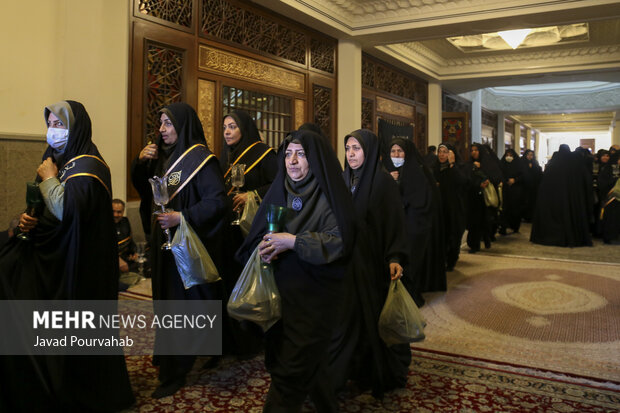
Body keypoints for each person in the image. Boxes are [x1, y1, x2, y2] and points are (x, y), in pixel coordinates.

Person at [0, 100, 135, 412]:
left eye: (60, 124)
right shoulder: (58, 156)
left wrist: (49, 178)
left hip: (80, 264)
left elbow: (67, 211)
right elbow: (43, 206)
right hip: (53, 255)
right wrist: (27, 218)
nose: (53, 131)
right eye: (50, 124)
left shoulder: (89, 165)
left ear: (76, 127)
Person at [237, 129, 355, 413]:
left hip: (315, 299)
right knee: (306, 363)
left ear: (314, 159)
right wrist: (263, 247)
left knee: (291, 371)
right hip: (280, 295)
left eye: (301, 154)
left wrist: (293, 241)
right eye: (288, 154)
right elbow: (256, 236)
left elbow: (340, 240)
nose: (292, 161)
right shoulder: (280, 190)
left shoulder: (328, 196)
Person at [131, 102, 230, 398]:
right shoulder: (163, 158)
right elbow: (148, 194)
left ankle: (175, 371)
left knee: (180, 307)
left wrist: (182, 217)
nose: (162, 130)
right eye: (160, 123)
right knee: (165, 303)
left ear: (183, 126)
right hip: (163, 246)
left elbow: (218, 203)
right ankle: (172, 353)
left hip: (185, 245)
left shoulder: (202, 159)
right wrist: (140, 163)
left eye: (168, 124)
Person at [330, 129, 411, 400]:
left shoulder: (382, 182)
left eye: (356, 148)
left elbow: (395, 222)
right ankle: (350, 371)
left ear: (370, 151)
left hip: (373, 263)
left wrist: (395, 256)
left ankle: (372, 372)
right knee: (348, 319)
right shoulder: (343, 179)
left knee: (371, 320)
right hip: (347, 263)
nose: (351, 154)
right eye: (348, 148)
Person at [219, 109, 278, 358]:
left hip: (254, 229)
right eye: (225, 127)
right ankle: (235, 337)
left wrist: (252, 195)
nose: (227, 132)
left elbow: (277, 186)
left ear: (244, 128)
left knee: (255, 282)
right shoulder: (225, 157)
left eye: (232, 126)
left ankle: (258, 336)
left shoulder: (264, 154)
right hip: (230, 230)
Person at [383, 137, 445, 304]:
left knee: (410, 263)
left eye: (400, 151)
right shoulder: (385, 171)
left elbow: (419, 201)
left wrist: (397, 185)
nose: (396, 155)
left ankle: (411, 297)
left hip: (414, 226)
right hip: (393, 226)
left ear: (407, 153)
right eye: (393, 151)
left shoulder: (417, 172)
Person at [530, 144, 593, 247]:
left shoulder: (553, 164)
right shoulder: (574, 165)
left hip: (553, 200)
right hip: (570, 200)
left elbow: (544, 184)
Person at [432, 143, 468, 271]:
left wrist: (452, 165)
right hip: (439, 208)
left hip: (454, 209)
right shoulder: (434, 167)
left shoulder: (460, 167)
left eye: (445, 152)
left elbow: (462, 182)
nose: (441, 154)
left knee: (453, 235)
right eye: (440, 151)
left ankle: (451, 260)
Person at [465, 143, 503, 252]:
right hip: (474, 198)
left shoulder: (488, 163)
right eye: (472, 150)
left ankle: (487, 238)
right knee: (474, 222)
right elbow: (466, 179)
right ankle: (474, 245)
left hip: (486, 199)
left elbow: (496, 176)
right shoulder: (469, 164)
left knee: (485, 221)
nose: (474, 152)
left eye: (476, 150)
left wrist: (486, 178)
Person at [499, 148, 524, 234]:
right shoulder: (502, 164)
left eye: (510, 155)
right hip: (505, 189)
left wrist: (515, 180)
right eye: (507, 155)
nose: (508, 157)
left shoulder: (518, 164)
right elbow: (500, 173)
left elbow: (522, 175)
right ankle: (503, 227)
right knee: (505, 209)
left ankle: (515, 226)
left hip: (516, 190)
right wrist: (506, 180)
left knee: (515, 209)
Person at [521, 149, 542, 222]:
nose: (530, 157)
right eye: (528, 155)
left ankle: (531, 216)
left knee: (532, 202)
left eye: (531, 155)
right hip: (524, 187)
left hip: (533, 187)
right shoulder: (522, 162)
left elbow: (538, 174)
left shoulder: (535, 163)